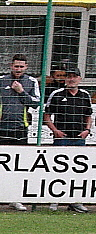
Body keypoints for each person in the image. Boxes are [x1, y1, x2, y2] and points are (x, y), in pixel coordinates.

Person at [0, 54, 39, 210]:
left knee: (18, 166)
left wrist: (21, 91)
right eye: (16, 66)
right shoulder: (1, 80)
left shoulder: (31, 81)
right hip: (1, 129)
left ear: (26, 67)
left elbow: (36, 103)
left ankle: (15, 198)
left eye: (21, 67)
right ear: (11, 66)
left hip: (20, 129)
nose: (18, 69)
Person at [42, 66, 92, 212]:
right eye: (69, 77)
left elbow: (88, 115)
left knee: (78, 171)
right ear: (65, 79)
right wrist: (55, 130)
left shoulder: (85, 95)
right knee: (58, 170)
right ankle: (54, 201)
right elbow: (47, 116)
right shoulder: (57, 94)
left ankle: (75, 201)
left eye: (74, 77)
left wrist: (87, 130)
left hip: (79, 139)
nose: (71, 79)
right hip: (62, 139)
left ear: (79, 79)